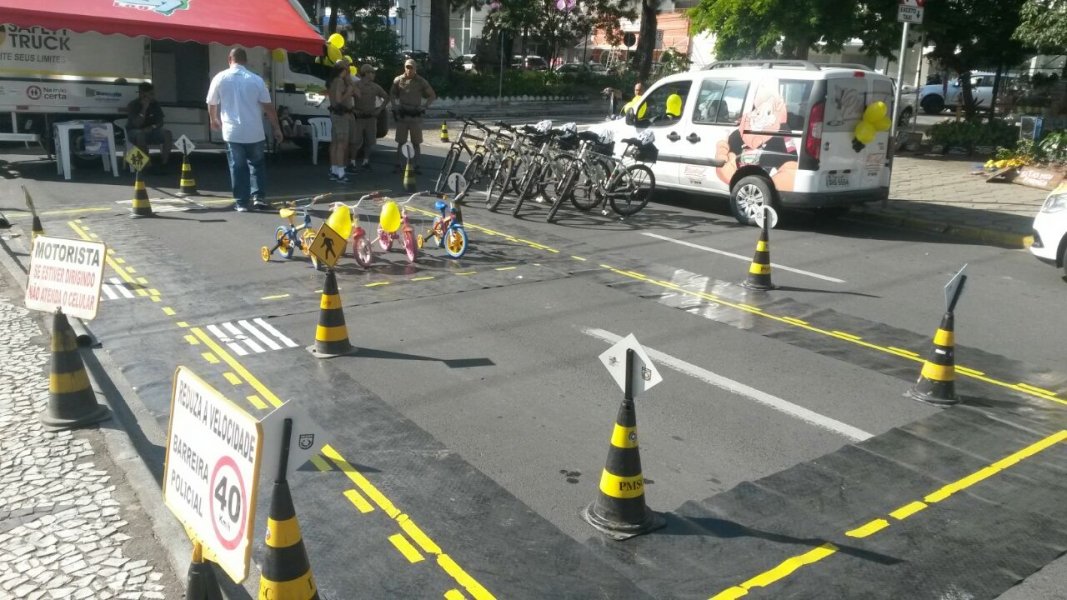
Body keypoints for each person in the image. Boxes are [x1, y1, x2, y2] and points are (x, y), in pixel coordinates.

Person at [206, 47, 283, 212]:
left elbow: (211, 102)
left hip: (232, 131)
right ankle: (259, 198)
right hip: (254, 130)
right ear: (245, 61)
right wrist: (276, 128)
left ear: (229, 59)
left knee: (237, 166)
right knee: (257, 165)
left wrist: (214, 119)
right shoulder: (256, 80)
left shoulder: (220, 78)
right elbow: (268, 108)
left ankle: (241, 202)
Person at [390, 58, 436, 172]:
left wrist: (424, 106)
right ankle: (398, 164)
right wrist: (394, 105)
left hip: (415, 116)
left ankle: (416, 165)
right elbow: (391, 93)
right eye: (407, 67)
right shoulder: (398, 80)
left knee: (416, 142)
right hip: (403, 115)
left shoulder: (421, 81)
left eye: (411, 67)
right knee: (401, 142)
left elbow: (432, 95)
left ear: (415, 68)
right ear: (404, 67)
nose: (409, 69)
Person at [351, 63, 389, 171]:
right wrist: (353, 110)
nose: (374, 75)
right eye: (372, 72)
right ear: (366, 73)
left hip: (371, 118)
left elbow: (386, 97)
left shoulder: (375, 87)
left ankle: (366, 161)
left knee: (370, 141)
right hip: (359, 118)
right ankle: (352, 162)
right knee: (355, 141)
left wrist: (379, 109)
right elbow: (347, 99)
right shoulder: (356, 85)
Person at [126, 82, 172, 170]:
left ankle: (164, 163)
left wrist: (152, 127)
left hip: (151, 130)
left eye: (153, 94)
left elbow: (160, 122)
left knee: (167, 133)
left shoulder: (155, 104)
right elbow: (136, 124)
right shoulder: (133, 105)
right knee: (140, 135)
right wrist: (144, 108)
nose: (153, 96)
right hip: (134, 131)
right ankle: (148, 165)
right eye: (150, 94)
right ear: (142, 94)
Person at [327, 59, 358, 183]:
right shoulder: (339, 81)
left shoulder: (333, 81)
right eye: (347, 68)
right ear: (344, 69)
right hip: (341, 115)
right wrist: (349, 92)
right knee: (341, 143)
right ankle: (341, 173)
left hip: (335, 114)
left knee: (335, 143)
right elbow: (339, 100)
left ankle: (334, 170)